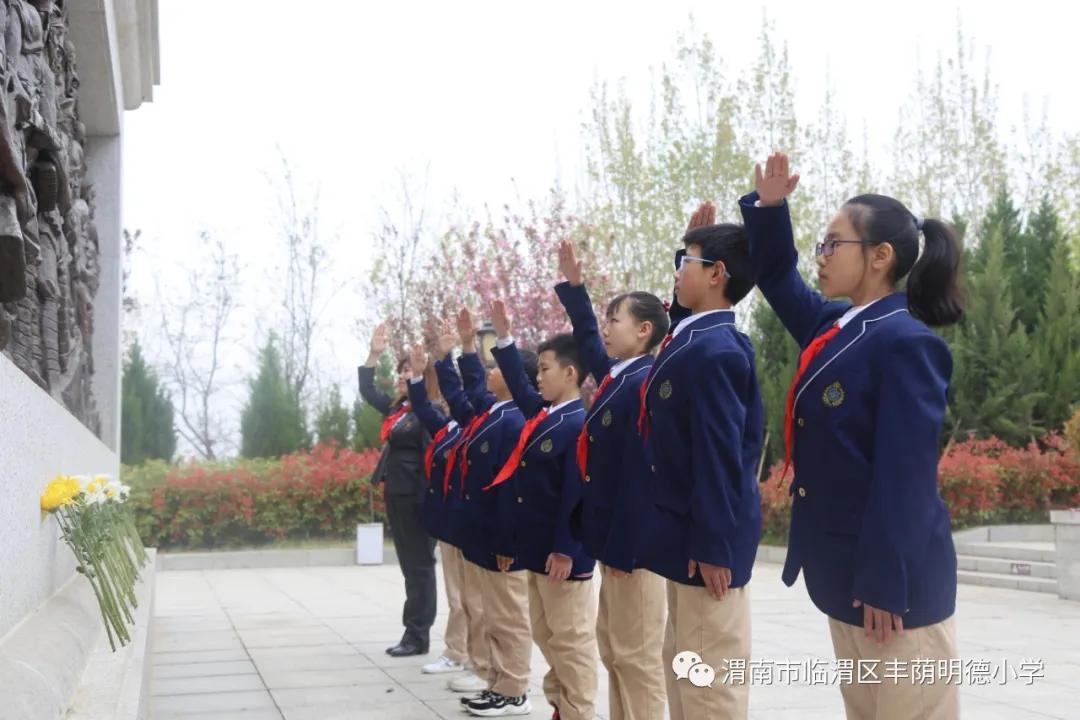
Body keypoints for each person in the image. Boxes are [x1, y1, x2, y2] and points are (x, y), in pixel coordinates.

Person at [743, 151, 964, 720]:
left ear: (879, 257)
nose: (820, 256)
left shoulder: (906, 342)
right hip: (846, 577)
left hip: (893, 591)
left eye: (832, 244)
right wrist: (770, 209)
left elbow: (905, 476)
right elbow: (775, 276)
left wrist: (886, 582)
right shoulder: (835, 327)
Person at [639, 211, 765, 720]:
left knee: (707, 679)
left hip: (707, 548)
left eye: (683, 261)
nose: (675, 272)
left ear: (717, 274)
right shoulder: (694, 339)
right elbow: (676, 331)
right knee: (684, 666)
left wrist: (714, 545)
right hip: (686, 535)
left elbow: (720, 454)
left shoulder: (716, 351)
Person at [554, 239, 669, 720]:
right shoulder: (621, 375)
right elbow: (584, 337)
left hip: (635, 549)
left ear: (643, 331)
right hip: (613, 543)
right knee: (616, 653)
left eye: (614, 320)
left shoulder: (645, 381)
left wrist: (623, 545)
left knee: (638, 658)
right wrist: (575, 290)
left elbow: (641, 473)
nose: (605, 329)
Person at [488, 300, 598, 720]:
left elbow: (578, 492)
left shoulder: (577, 423)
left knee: (571, 641)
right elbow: (517, 383)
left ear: (570, 374)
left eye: (545, 369)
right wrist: (504, 338)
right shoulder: (546, 416)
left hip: (562, 557)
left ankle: (578, 712)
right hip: (537, 551)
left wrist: (567, 549)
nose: (538, 377)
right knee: (545, 633)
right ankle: (561, 703)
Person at [436, 309, 536, 717]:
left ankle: (514, 689)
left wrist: (508, 540)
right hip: (482, 535)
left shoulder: (515, 421)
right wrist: (461, 349)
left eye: (497, 367)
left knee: (509, 616)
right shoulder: (494, 413)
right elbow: (471, 388)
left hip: (503, 541)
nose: (490, 372)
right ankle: (497, 682)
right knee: (494, 615)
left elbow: (512, 489)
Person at [358, 323, 436, 657]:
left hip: (417, 498)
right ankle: (411, 630)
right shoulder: (398, 410)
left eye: (410, 370)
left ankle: (417, 634)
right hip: (397, 494)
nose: (403, 376)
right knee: (409, 565)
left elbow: (433, 461)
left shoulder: (428, 413)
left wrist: (427, 502)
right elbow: (368, 390)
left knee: (419, 566)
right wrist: (374, 353)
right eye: (402, 370)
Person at [406, 340, 472, 676]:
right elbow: (423, 408)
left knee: (472, 598)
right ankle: (458, 652)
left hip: (472, 525)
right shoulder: (449, 429)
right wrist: (417, 377)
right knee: (456, 595)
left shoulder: (478, 429)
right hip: (449, 525)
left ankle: (470, 654)